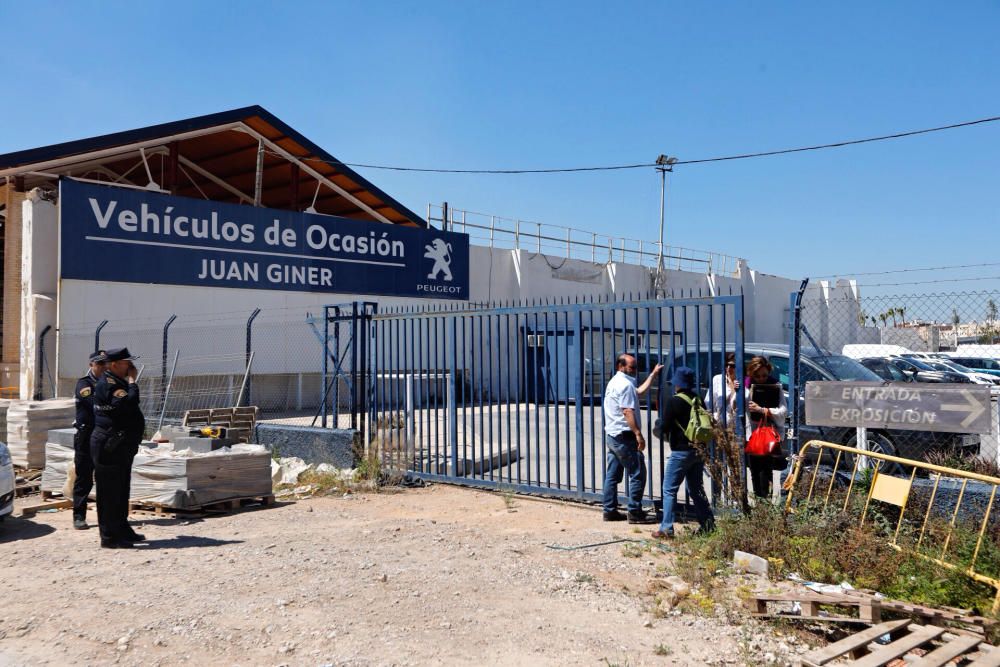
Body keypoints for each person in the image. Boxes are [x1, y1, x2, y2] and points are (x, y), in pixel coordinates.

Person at [91, 347, 146, 548]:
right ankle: (109, 537)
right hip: (109, 444)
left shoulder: (117, 382)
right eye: (126, 363)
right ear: (114, 365)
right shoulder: (109, 383)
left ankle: (122, 529)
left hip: (120, 444)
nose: (131, 367)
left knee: (121, 489)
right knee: (109, 492)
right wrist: (133, 382)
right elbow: (129, 403)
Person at [652, 367, 715, 539]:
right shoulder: (698, 398)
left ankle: (666, 528)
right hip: (698, 449)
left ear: (677, 384)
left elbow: (664, 426)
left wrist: (658, 427)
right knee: (696, 489)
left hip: (681, 450)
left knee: (669, 489)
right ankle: (708, 525)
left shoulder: (674, 401)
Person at [601, 354, 663, 523]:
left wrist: (653, 374)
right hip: (624, 436)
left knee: (612, 475)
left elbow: (639, 391)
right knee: (637, 473)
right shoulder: (625, 385)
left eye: (636, 367)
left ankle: (609, 510)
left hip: (613, 435)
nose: (635, 370)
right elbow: (627, 411)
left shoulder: (616, 382)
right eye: (632, 367)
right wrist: (638, 434)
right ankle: (634, 512)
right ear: (621, 366)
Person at [71, 350, 107, 530]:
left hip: (104, 437)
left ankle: (107, 517)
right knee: (84, 477)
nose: (103, 367)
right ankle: (79, 516)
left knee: (106, 478)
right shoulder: (84, 384)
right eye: (99, 364)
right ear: (91, 365)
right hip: (86, 437)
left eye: (105, 364)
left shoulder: (110, 383)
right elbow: (95, 404)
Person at [744, 356, 787, 499]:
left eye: (764, 375)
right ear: (751, 374)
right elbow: (735, 407)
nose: (761, 379)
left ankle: (765, 503)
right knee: (754, 471)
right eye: (757, 376)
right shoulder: (746, 385)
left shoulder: (775, 385)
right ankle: (757, 503)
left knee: (766, 471)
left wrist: (762, 409)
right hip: (751, 433)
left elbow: (783, 411)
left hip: (768, 433)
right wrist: (736, 389)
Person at [705, 352, 738, 426]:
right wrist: (713, 419)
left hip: (736, 427)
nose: (729, 368)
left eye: (732, 366)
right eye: (727, 365)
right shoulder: (718, 379)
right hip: (719, 425)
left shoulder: (743, 382)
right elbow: (708, 403)